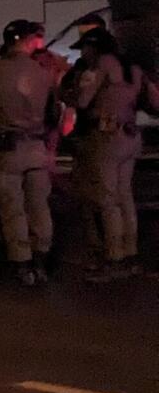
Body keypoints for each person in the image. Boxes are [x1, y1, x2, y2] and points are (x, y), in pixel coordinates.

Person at [0, 20, 58, 284]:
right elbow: (53, 115)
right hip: (37, 148)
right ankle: (41, 259)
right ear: (27, 41)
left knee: (13, 208)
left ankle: (21, 264)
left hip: (5, 150)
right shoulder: (44, 74)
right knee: (39, 206)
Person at [64, 27, 145, 280]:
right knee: (125, 197)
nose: (84, 55)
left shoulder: (101, 64)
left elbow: (83, 101)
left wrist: (65, 90)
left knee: (107, 200)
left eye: (85, 49)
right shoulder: (133, 67)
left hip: (106, 137)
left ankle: (113, 259)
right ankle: (130, 255)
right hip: (131, 135)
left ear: (93, 47)